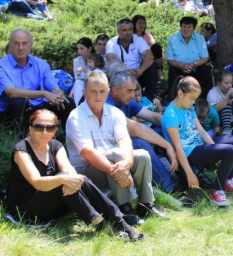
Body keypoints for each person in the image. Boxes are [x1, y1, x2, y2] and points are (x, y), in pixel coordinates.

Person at [7, 109, 142, 240]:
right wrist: (62, 179)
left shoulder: (56, 145)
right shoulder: (21, 151)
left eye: (50, 128)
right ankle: (101, 225)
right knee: (62, 182)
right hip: (25, 210)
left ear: (55, 130)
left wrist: (71, 179)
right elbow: (37, 182)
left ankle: (120, 222)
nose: (44, 132)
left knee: (80, 179)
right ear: (30, 129)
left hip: (51, 207)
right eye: (39, 127)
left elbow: (68, 169)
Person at [66, 71, 165, 226]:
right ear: (84, 93)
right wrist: (119, 171)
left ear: (108, 93)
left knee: (142, 155)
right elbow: (88, 153)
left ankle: (146, 204)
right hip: (87, 174)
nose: (98, 96)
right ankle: (123, 208)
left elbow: (124, 139)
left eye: (102, 92)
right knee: (117, 154)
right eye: (93, 92)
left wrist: (127, 162)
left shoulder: (114, 112)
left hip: (113, 166)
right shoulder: (76, 117)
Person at [162, 76, 233, 207]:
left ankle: (226, 181)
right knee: (230, 150)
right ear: (180, 93)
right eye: (192, 98)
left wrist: (216, 151)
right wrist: (190, 174)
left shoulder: (188, 108)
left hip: (200, 145)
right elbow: (178, 147)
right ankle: (217, 192)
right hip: (189, 154)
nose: (193, 102)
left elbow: (202, 132)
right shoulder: (171, 115)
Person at [106, 71, 179, 196]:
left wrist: (178, 126)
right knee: (140, 143)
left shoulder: (125, 100)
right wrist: (168, 145)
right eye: (129, 91)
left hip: (124, 143)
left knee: (165, 130)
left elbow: (153, 117)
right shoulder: (107, 105)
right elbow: (136, 129)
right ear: (115, 90)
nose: (133, 95)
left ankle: (189, 175)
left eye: (134, 91)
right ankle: (170, 189)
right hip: (111, 148)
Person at [0, 29, 75, 131]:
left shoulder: (41, 64)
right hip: (13, 110)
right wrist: (43, 93)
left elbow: (54, 88)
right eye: (16, 44)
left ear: (31, 45)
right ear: (10, 46)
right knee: (19, 101)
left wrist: (59, 95)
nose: (21, 48)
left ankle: (70, 139)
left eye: (24, 43)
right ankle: (18, 137)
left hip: (39, 107)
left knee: (68, 102)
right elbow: (11, 92)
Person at [106, 18, 157, 101]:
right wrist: (126, 71)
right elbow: (112, 61)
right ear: (118, 31)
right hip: (121, 76)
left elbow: (149, 56)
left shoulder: (138, 40)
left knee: (152, 66)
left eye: (130, 29)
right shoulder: (112, 43)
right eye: (124, 30)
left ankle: (149, 100)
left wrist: (140, 70)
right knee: (114, 68)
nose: (128, 33)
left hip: (137, 74)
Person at [166, 16, 213, 96]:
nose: (186, 29)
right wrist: (181, 66)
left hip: (195, 68)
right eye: (184, 26)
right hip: (179, 68)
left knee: (205, 68)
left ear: (193, 28)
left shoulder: (200, 38)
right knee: (172, 70)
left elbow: (205, 58)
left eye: (189, 27)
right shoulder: (172, 39)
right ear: (181, 27)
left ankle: (209, 96)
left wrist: (193, 65)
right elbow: (170, 60)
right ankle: (172, 97)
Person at [71, 37, 96, 105]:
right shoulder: (77, 61)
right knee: (78, 83)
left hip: (96, 84)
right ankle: (79, 108)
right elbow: (77, 78)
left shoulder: (98, 59)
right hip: (82, 84)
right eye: (78, 49)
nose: (79, 52)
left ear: (90, 48)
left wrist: (85, 72)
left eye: (82, 48)